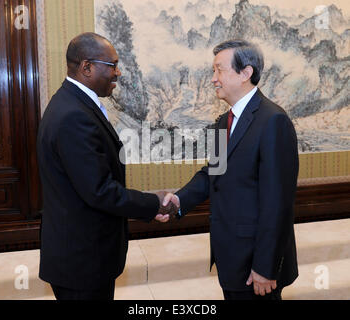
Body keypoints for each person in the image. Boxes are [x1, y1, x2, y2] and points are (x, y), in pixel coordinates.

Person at [37, 32, 176, 300]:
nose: (118, 73)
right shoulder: (73, 116)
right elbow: (99, 191)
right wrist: (152, 202)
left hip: (82, 256)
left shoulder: (73, 103)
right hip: (82, 263)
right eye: (112, 65)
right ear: (86, 67)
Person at [163, 39, 299, 300]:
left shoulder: (274, 121)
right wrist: (179, 200)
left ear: (246, 73)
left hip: (256, 267)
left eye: (219, 70)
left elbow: (278, 203)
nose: (213, 79)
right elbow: (212, 172)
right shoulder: (223, 121)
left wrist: (265, 267)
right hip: (231, 258)